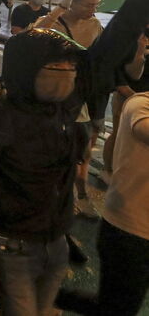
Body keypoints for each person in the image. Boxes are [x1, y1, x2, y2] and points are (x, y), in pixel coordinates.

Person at [0, 29, 86, 316]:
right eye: (56, 67)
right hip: (11, 245)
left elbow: (109, 59)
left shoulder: (62, 109)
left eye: (71, 68)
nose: (67, 74)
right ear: (27, 70)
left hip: (56, 241)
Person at [33, 0, 105, 219]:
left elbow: (106, 53)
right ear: (73, 1)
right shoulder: (55, 22)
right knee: (48, 151)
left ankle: (81, 196)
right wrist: (61, 5)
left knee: (82, 149)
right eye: (89, 5)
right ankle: (47, 202)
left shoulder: (95, 25)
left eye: (97, 5)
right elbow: (31, 36)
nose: (93, 10)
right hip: (51, 94)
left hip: (79, 95)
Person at [98, 91, 149, 315]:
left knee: (119, 304)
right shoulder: (140, 104)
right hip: (127, 232)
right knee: (119, 307)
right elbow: (143, 128)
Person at [102, 29, 148, 182]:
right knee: (118, 134)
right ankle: (107, 170)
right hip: (127, 94)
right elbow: (119, 70)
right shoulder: (133, 34)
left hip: (144, 95)